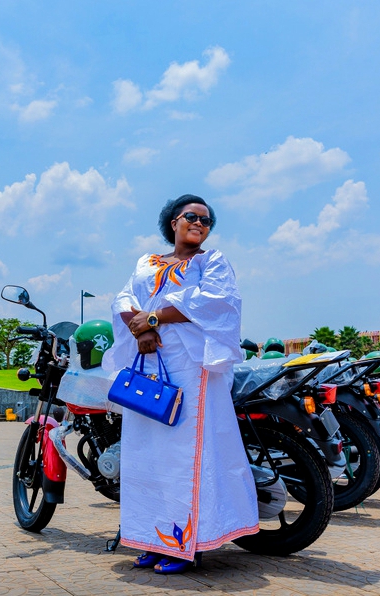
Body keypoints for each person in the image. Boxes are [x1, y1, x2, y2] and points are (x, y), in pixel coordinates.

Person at [102, 194, 259, 574]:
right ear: (173, 222)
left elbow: (217, 303)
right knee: (145, 456)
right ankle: (151, 538)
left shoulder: (212, 261)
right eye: (192, 216)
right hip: (147, 362)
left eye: (207, 220)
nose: (200, 223)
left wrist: (154, 318)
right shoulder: (147, 262)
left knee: (185, 456)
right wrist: (141, 329)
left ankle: (185, 545)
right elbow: (124, 299)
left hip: (191, 368)